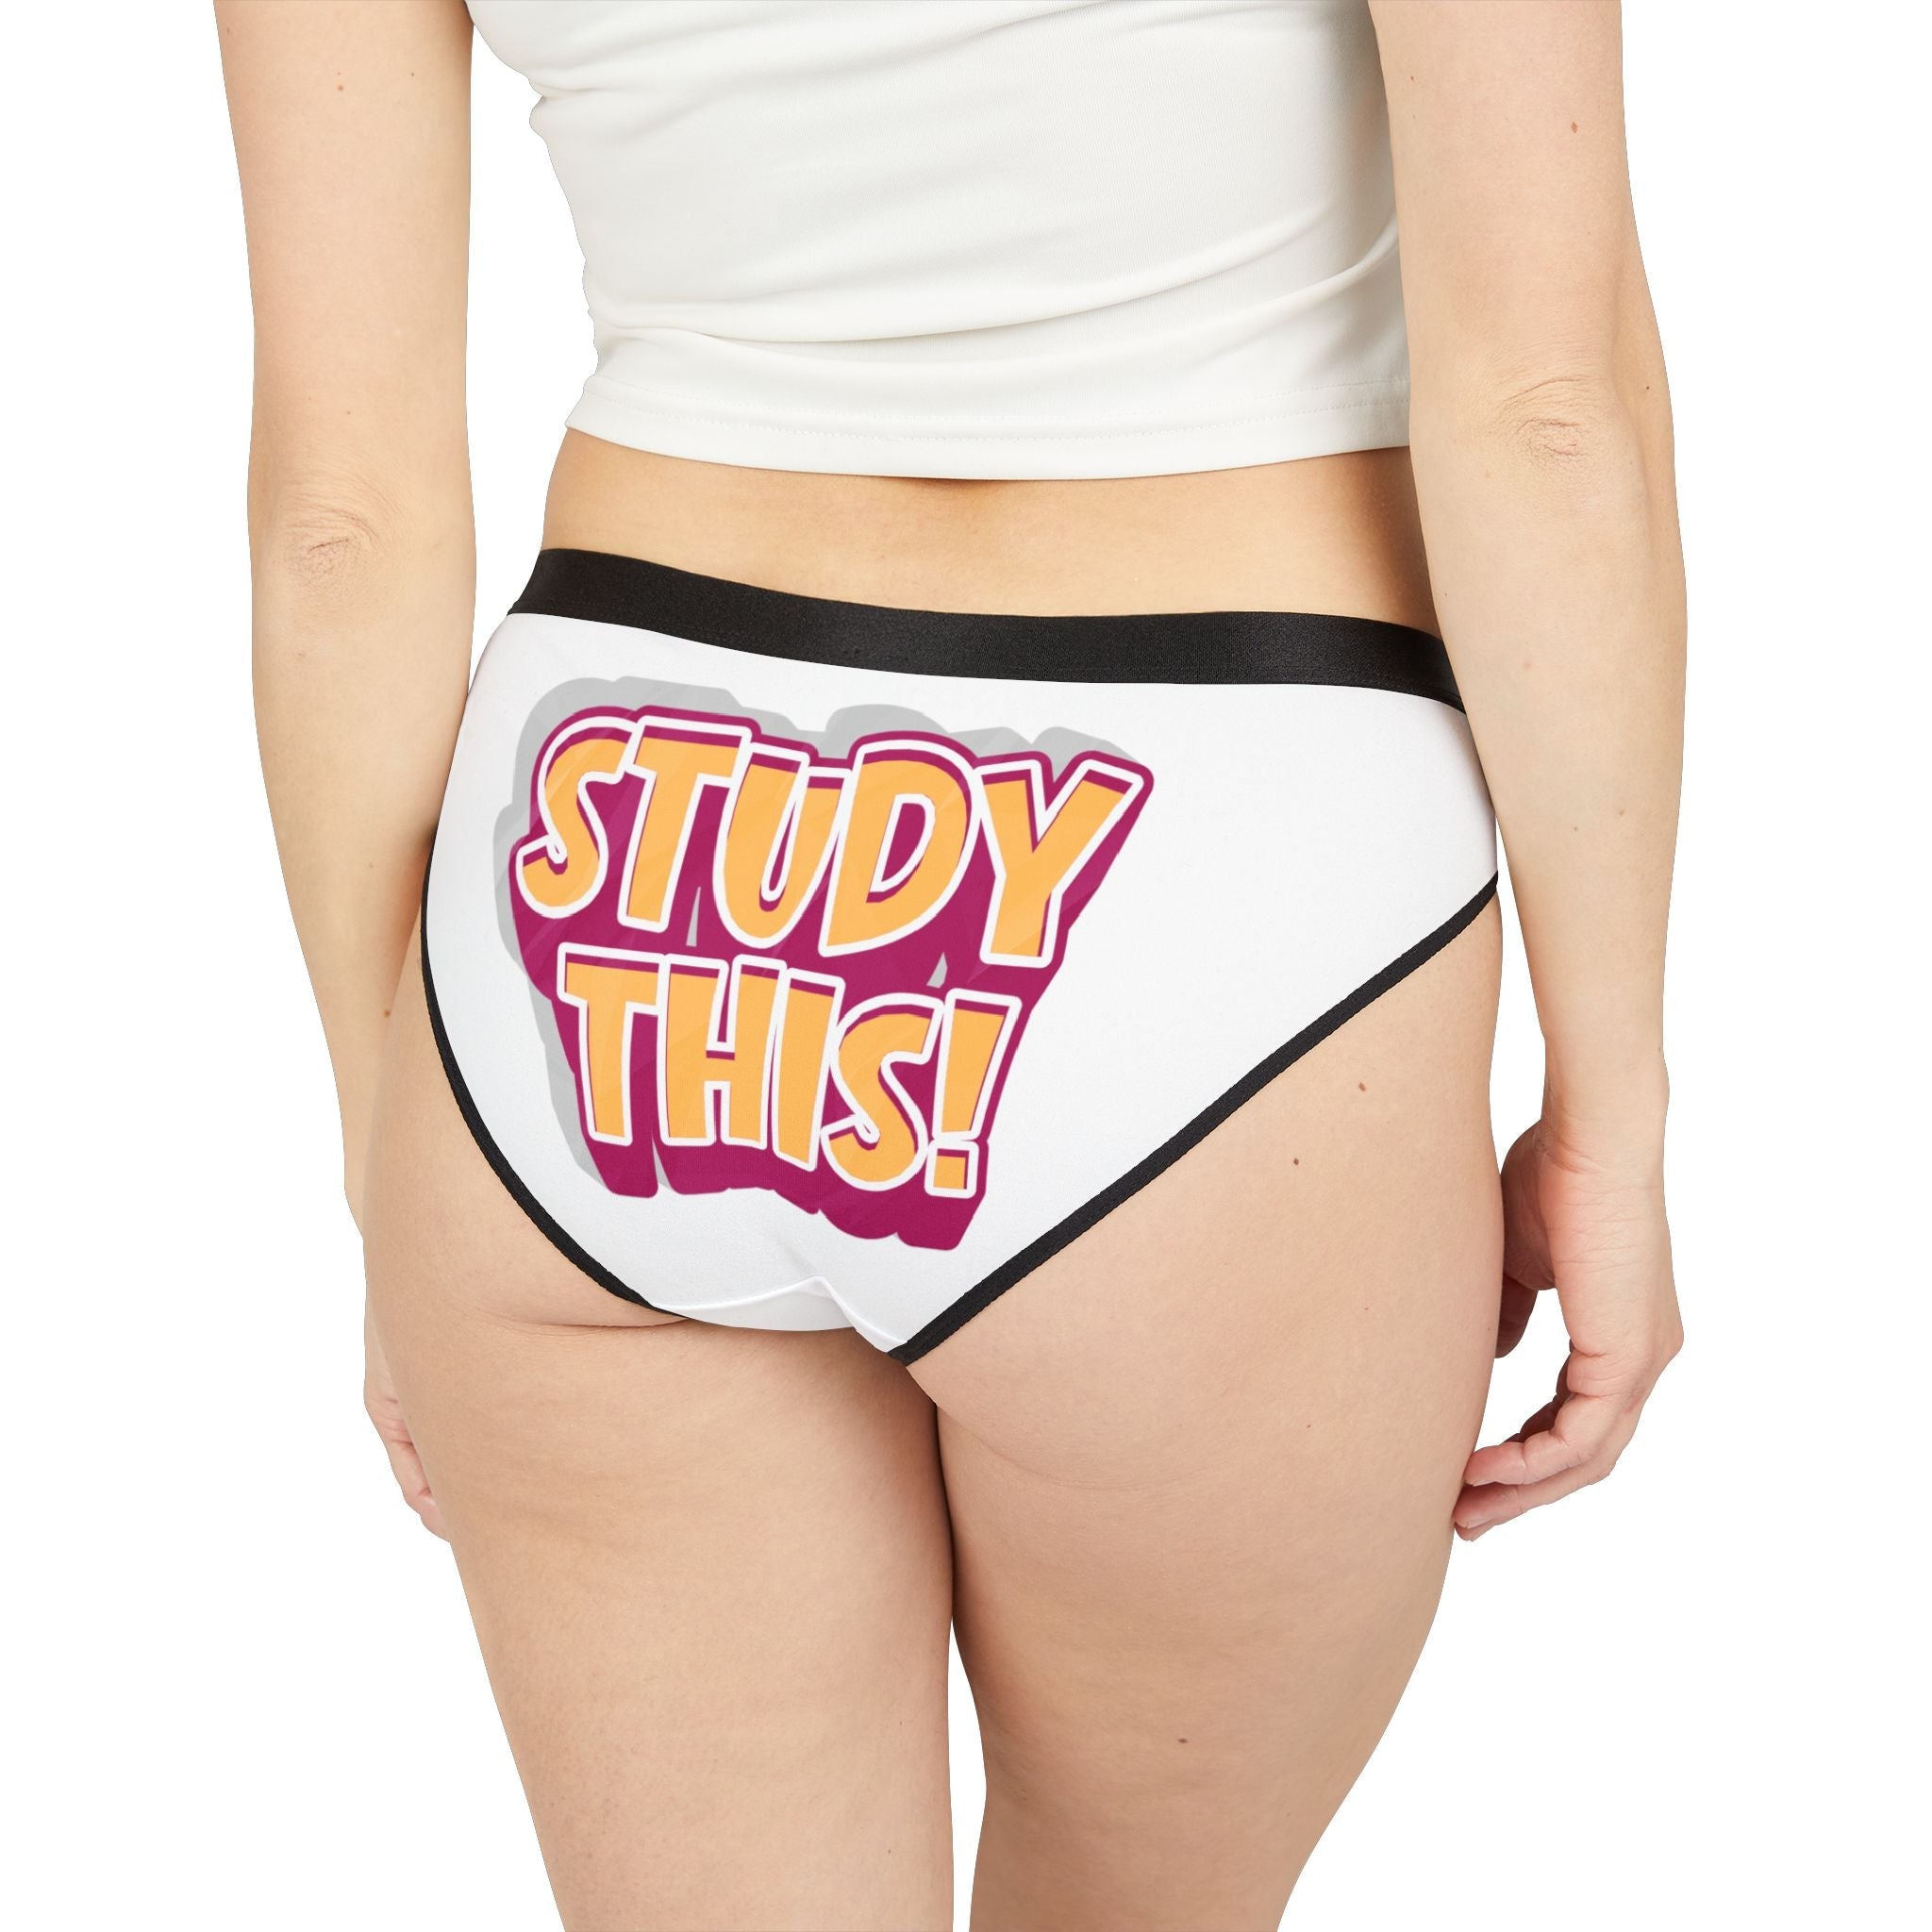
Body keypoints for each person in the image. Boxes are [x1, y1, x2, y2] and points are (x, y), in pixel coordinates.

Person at [217, 2, 1684, 1924]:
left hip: (603, 893)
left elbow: (341, 522)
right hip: (1206, 871)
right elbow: (1546, 412)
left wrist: (397, 1148)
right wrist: (1609, 1113)